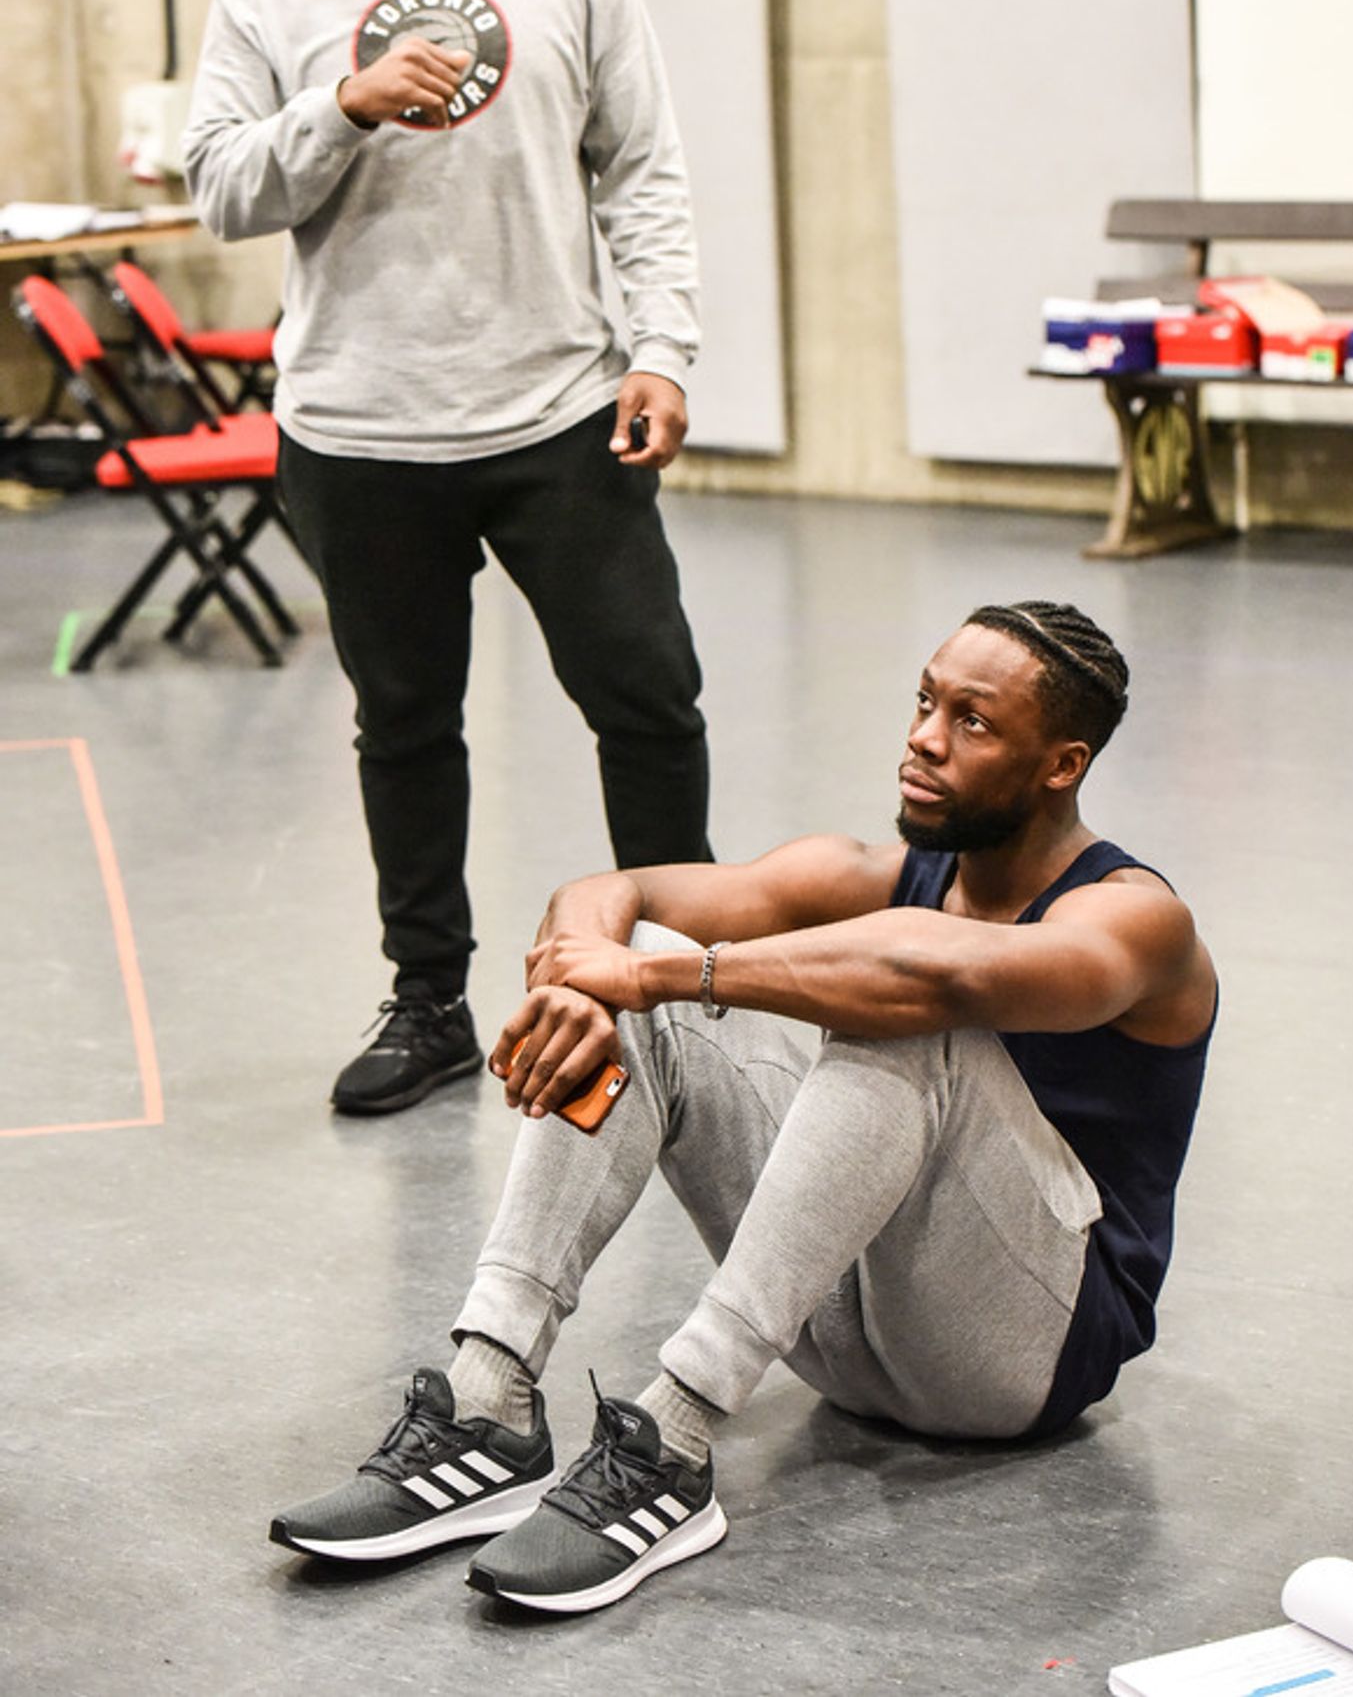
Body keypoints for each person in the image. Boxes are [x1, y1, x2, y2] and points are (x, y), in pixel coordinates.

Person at [268, 599, 1218, 1615]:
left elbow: (931, 979)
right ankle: (488, 1397)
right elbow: (610, 890)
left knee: (897, 1004)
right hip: (841, 1334)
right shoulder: (875, 873)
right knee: (636, 978)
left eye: (971, 722)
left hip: (1022, 1359)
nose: (922, 739)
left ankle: (674, 1433)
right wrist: (580, 990)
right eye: (924, 702)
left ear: (1059, 766)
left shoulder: (1135, 919)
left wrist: (673, 976)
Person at [182, 0, 712, 1115]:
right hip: (361, 428)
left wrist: (663, 349)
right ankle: (430, 1006)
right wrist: (340, 107)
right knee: (405, 727)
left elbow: (642, 168)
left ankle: (675, 982)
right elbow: (221, 188)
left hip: (558, 410)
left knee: (649, 702)